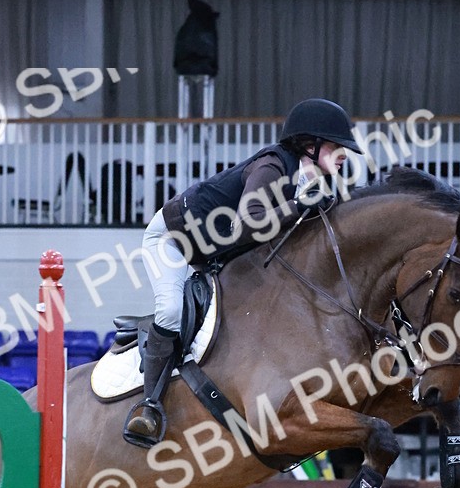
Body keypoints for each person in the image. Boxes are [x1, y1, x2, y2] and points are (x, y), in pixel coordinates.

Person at [124, 97, 363, 448]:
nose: (345, 153)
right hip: (172, 242)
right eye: (336, 145)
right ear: (310, 145)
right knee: (171, 311)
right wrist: (299, 205)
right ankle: (148, 406)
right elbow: (249, 221)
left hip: (215, 253)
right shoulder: (272, 166)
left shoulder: (307, 181)